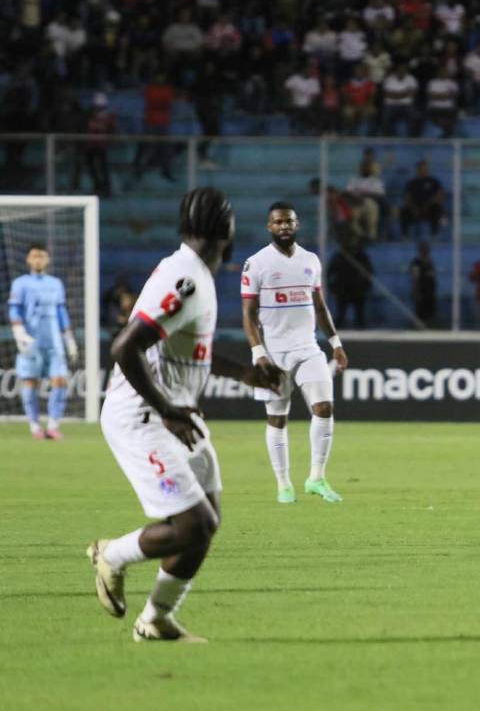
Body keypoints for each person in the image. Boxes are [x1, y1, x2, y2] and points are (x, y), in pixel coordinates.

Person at [87, 187, 283, 642]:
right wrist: (165, 408)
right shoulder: (187, 279)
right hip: (143, 414)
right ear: (227, 235)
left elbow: (193, 349)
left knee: (206, 520)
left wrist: (246, 375)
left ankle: (155, 619)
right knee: (193, 524)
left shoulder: (192, 274)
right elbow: (124, 346)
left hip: (174, 412)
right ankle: (110, 555)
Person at [242, 202, 348, 504]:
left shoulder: (310, 260)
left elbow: (319, 306)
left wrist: (336, 343)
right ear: (269, 227)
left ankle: (316, 477)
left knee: (324, 408)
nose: (284, 226)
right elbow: (248, 314)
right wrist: (258, 351)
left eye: (289, 222)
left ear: (297, 224)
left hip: (307, 348)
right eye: (278, 222)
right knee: (277, 418)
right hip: (272, 352)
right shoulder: (256, 263)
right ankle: (283, 484)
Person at [8, 244, 78, 439]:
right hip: (31, 341)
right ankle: (34, 426)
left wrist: (69, 339)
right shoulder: (20, 284)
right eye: (34, 256)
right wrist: (19, 332)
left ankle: (54, 425)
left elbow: (61, 311)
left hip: (54, 341)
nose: (38, 259)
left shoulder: (55, 284)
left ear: (47, 259)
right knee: (30, 383)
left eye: (41, 256)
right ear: (28, 260)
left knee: (60, 381)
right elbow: (15, 309)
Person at [327, 240, 374, 328]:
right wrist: (331, 286)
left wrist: (367, 285)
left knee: (359, 313)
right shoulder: (340, 256)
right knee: (341, 311)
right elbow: (330, 272)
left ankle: (360, 325)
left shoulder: (361, 256)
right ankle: (339, 326)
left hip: (357, 288)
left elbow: (369, 272)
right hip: (343, 288)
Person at [400, 160, 446, 238]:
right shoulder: (412, 183)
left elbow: (440, 195)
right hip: (415, 208)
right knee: (404, 211)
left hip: (430, 207)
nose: (424, 170)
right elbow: (407, 197)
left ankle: (434, 234)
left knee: (437, 209)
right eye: (421, 168)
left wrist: (430, 203)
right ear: (417, 170)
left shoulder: (433, 181)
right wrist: (413, 208)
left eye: (425, 168)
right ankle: (405, 235)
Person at [410, 241, 437, 326]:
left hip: (430, 293)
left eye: (427, 249)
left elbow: (433, 275)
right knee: (421, 315)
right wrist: (416, 292)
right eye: (424, 249)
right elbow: (415, 278)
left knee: (430, 314)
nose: (427, 251)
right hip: (421, 293)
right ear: (420, 251)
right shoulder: (416, 263)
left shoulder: (430, 262)